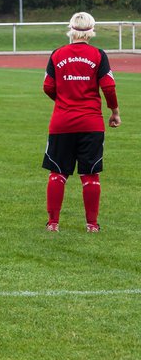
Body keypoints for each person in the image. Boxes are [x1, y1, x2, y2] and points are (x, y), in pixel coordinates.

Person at [41, 12, 121, 233]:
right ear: (91, 30)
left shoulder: (57, 54)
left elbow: (47, 87)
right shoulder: (98, 55)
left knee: (57, 173)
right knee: (90, 174)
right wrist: (114, 111)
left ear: (71, 29)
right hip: (91, 123)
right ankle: (92, 225)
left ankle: (53, 223)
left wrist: (63, 100)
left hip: (62, 122)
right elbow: (108, 87)